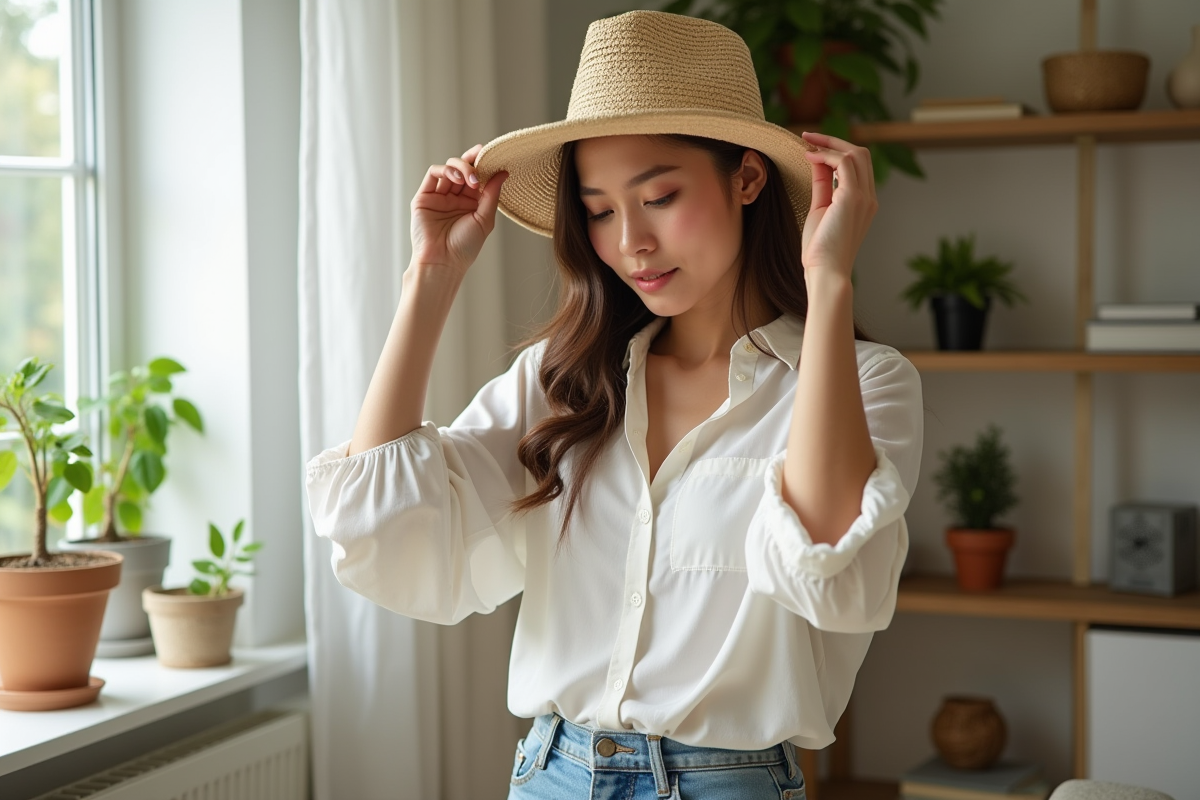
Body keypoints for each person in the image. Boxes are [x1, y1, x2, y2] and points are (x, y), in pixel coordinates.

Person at [305, 9, 922, 800]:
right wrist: (429, 280)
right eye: (598, 209)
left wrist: (830, 280)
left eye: (659, 196)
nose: (629, 239)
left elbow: (833, 576)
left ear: (746, 178)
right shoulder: (562, 381)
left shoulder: (868, 381)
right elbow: (386, 528)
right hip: (548, 776)